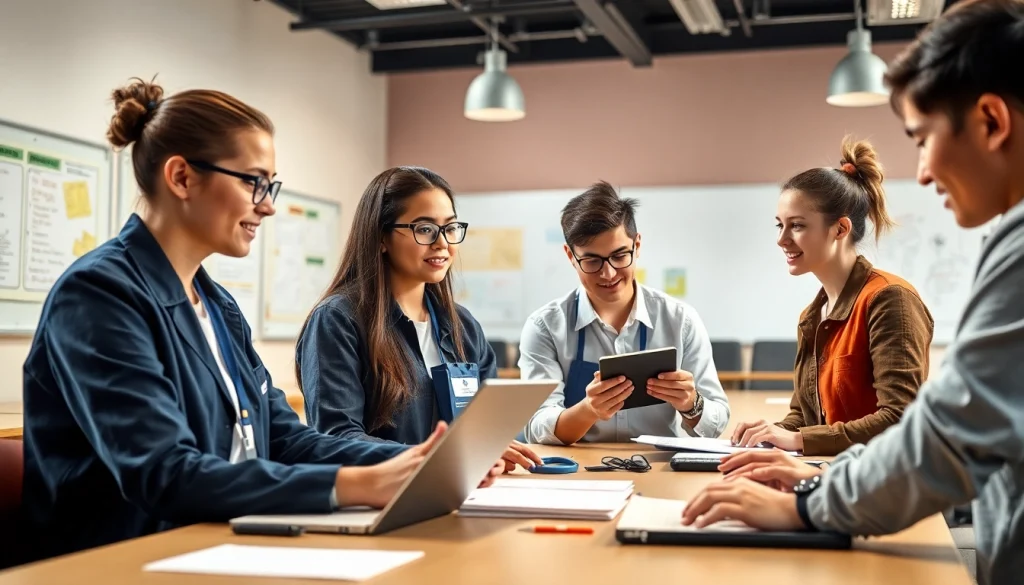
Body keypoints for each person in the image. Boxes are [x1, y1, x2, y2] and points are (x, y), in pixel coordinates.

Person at [18, 79, 501, 563]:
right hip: (121, 561)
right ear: (182, 177)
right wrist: (352, 483)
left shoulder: (218, 306)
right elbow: (163, 471)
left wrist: (412, 461)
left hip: (216, 544)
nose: (267, 204)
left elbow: (282, 438)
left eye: (270, 186)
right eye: (253, 182)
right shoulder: (100, 294)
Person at [680, 2, 1024, 583]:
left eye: (921, 139)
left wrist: (808, 501)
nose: (920, 172)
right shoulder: (815, 310)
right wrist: (813, 474)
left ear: (991, 121)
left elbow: (944, 433)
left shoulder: (974, 266)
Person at [295, 166, 542, 472]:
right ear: (382, 237)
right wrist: (435, 455)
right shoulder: (337, 320)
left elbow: (488, 428)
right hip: (378, 503)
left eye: (450, 228)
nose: (442, 243)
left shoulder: (462, 326)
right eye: (425, 229)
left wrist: (495, 449)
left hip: (461, 492)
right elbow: (336, 439)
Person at [730, 137, 935, 456]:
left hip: (882, 486)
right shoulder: (812, 316)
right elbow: (804, 417)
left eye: (796, 226)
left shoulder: (889, 299)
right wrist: (769, 433)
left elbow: (899, 419)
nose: (782, 240)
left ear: (840, 229)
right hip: (828, 477)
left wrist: (797, 440)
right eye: (779, 225)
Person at [518, 181, 730, 445]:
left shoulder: (680, 321)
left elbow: (716, 423)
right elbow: (536, 426)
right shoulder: (544, 327)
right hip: (578, 474)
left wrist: (691, 403)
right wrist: (588, 410)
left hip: (657, 469)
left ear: (637, 246)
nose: (608, 274)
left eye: (619, 256)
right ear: (570, 256)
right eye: (592, 261)